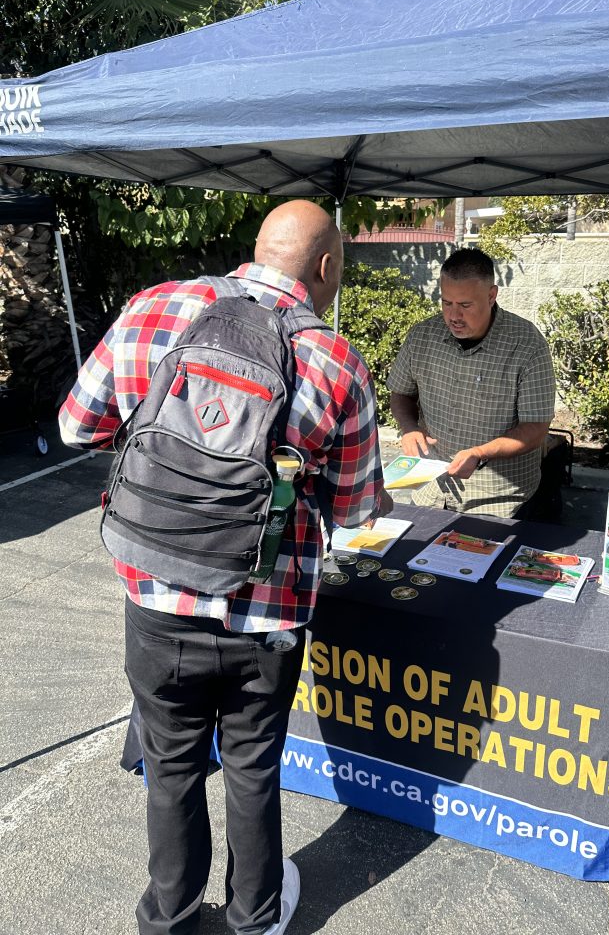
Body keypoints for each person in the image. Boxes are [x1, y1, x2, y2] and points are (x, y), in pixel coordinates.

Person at [59, 200, 391, 935]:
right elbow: (358, 507)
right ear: (326, 266)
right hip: (265, 616)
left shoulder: (154, 307)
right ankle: (253, 919)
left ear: (257, 249)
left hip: (153, 594)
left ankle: (168, 920)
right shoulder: (334, 359)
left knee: (171, 770)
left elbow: (76, 425)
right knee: (252, 770)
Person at [387, 247, 555, 517]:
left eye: (465, 305)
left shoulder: (526, 344)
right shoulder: (422, 335)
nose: (454, 316)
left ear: (491, 296)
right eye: (446, 303)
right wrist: (409, 428)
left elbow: (536, 428)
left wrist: (481, 452)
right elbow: (401, 393)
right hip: (431, 489)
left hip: (499, 499)